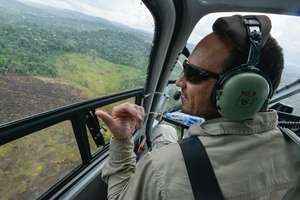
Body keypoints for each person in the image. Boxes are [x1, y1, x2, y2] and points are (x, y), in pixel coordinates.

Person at [95, 15, 300, 200]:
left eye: (193, 74)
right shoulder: (294, 149)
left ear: (241, 89)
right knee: (165, 131)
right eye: (185, 68)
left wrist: (122, 140)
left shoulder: (162, 169)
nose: (180, 81)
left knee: (163, 132)